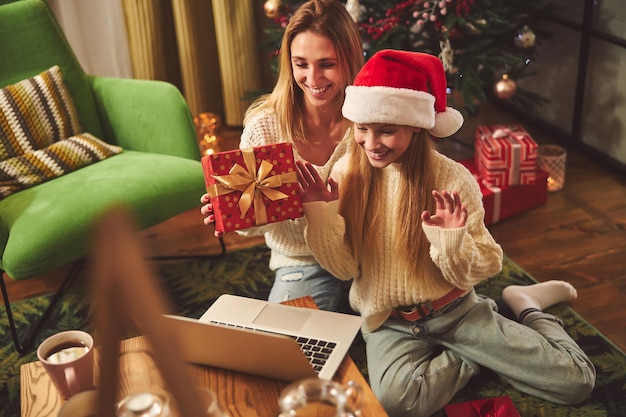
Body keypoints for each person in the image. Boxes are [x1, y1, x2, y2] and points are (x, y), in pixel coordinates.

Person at [295, 49, 596, 417]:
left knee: (577, 382)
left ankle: (527, 307)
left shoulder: (453, 179)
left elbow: (485, 265)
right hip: (388, 321)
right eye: (362, 128)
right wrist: (320, 215)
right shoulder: (346, 174)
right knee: (397, 403)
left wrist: (452, 242)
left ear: (417, 127)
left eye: (386, 130)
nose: (371, 143)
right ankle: (483, 355)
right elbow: (343, 270)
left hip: (456, 311)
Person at [199, 0, 364, 311]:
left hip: (371, 252)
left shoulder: (367, 121)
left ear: (350, 59)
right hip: (303, 259)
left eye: (327, 64)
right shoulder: (266, 126)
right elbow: (253, 224)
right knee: (291, 348)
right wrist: (229, 212)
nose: (313, 79)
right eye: (301, 64)